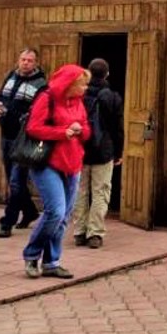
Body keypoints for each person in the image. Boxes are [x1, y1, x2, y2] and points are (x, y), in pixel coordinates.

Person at [21, 63, 90, 279]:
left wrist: (81, 130)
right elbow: (34, 128)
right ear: (70, 84)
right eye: (82, 84)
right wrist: (63, 132)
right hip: (47, 162)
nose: (85, 88)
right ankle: (32, 255)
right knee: (56, 211)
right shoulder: (47, 98)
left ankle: (51, 262)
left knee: (63, 217)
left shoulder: (78, 102)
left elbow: (87, 128)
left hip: (73, 162)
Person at [0, 47, 47, 238]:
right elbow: (0, 95)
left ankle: (7, 222)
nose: (25, 63)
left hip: (24, 139)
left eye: (29, 60)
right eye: (23, 59)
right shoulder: (11, 76)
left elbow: (40, 111)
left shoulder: (41, 84)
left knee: (16, 182)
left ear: (36, 63)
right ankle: (30, 212)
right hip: (6, 134)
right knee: (12, 180)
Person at [70, 58, 124, 249]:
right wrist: (118, 151)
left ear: (89, 73)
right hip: (104, 149)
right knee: (101, 191)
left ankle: (79, 232)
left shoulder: (78, 94)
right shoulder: (113, 97)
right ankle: (95, 233)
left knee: (80, 190)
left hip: (80, 148)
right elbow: (117, 128)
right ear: (107, 74)